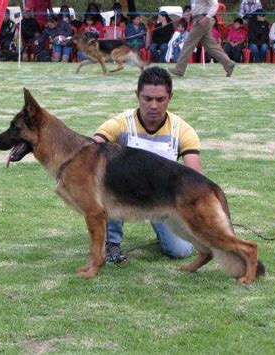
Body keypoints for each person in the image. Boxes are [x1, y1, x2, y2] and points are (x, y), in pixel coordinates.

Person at [93, 67, 203, 263]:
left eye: (160, 99)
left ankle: (165, 233)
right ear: (137, 96)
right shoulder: (121, 123)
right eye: (147, 98)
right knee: (106, 181)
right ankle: (111, 242)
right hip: (122, 194)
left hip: (162, 201)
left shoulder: (183, 130)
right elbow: (91, 151)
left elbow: (196, 178)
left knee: (181, 251)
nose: (153, 105)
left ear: (170, 97)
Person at [169, 0, 235, 78]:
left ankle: (179, 69)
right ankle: (228, 64)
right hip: (199, 19)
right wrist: (191, 13)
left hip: (201, 20)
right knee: (211, 46)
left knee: (188, 44)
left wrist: (207, 17)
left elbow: (215, 4)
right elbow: (200, 7)